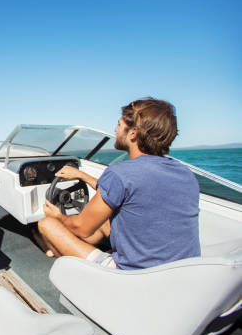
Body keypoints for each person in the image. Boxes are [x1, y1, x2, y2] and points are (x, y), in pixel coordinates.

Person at [34, 97, 200, 270]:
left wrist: (58, 217)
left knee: (46, 225)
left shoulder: (119, 173)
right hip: (182, 273)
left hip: (133, 276)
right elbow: (125, 191)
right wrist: (81, 176)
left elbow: (81, 228)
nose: (115, 129)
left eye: (119, 125)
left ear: (133, 133)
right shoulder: (186, 174)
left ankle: (70, 266)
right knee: (107, 223)